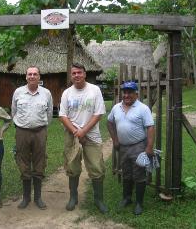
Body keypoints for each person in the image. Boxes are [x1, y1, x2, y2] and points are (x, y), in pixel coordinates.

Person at [59, 62, 108, 214]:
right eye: (73, 73)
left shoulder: (95, 90)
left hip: (91, 135)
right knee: (72, 168)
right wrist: (76, 132)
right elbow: (62, 115)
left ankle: (98, 200)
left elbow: (98, 113)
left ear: (85, 74)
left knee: (96, 168)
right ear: (71, 76)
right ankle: (73, 198)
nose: (76, 75)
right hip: (71, 135)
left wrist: (84, 131)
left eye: (79, 72)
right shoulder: (67, 93)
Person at [107, 81, 155, 215]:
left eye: (130, 92)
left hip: (138, 146)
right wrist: (115, 140)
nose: (126, 95)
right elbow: (109, 123)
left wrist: (149, 147)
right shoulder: (116, 107)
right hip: (123, 147)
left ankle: (139, 203)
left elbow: (150, 127)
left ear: (136, 94)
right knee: (126, 173)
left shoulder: (143, 108)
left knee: (139, 174)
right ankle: (127, 198)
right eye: (125, 92)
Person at [11, 66, 53, 210]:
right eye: (30, 74)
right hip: (22, 132)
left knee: (39, 163)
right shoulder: (18, 92)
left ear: (39, 77)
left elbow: (49, 113)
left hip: (40, 132)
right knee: (23, 162)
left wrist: (42, 128)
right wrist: (20, 126)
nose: (32, 76)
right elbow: (13, 111)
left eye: (35, 74)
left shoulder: (46, 93)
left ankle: (38, 198)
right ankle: (26, 198)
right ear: (26, 76)